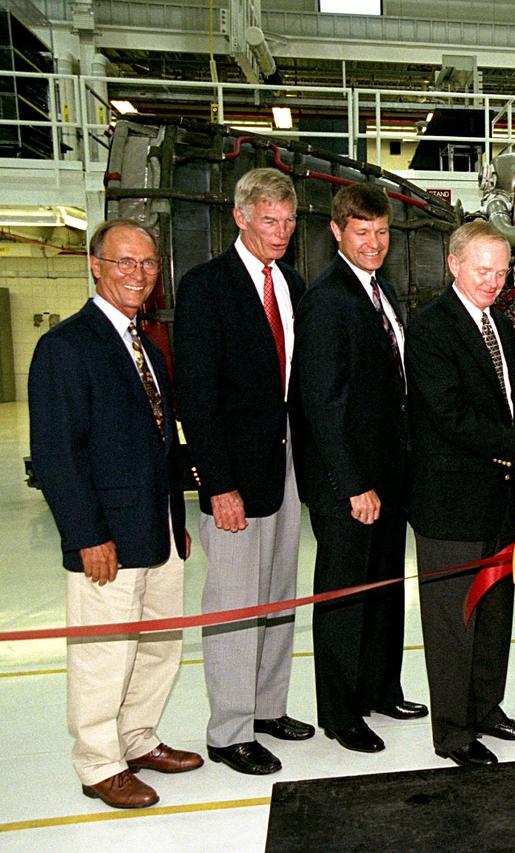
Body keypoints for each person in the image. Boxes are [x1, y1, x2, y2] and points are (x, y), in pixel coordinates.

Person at [29, 219, 202, 809]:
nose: (138, 274)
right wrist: (86, 536)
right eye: (125, 262)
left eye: (148, 264)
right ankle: (99, 763)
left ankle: (137, 738)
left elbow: (159, 443)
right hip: (106, 538)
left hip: (156, 530)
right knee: (105, 653)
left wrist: (176, 522)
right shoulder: (66, 346)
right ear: (96, 265)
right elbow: (57, 454)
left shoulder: (147, 347)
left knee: (158, 647)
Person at [405, 220, 515, 767]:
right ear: (453, 264)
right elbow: (452, 417)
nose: (493, 281)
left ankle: (486, 707)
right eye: (482, 270)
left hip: (496, 499)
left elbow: (510, 391)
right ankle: (452, 733)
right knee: (454, 622)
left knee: (495, 611)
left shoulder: (498, 321)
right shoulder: (430, 328)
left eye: (501, 271)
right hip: (449, 504)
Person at [175, 167, 313, 775]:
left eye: (287, 221)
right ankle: (228, 729)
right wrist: (217, 483)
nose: (280, 232)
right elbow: (197, 398)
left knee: (278, 593)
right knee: (234, 601)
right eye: (268, 221)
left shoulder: (291, 282)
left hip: (283, 462)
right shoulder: (207, 286)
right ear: (240, 217)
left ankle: (266, 707)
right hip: (234, 472)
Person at [291, 183, 428, 755]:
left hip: (388, 476)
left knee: (385, 588)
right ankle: (341, 711)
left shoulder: (380, 290)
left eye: (381, 232)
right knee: (345, 596)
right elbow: (320, 404)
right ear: (337, 231)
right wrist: (353, 485)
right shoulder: (328, 299)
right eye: (362, 232)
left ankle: (380, 687)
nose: (374, 243)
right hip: (350, 484)